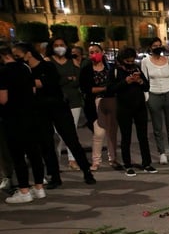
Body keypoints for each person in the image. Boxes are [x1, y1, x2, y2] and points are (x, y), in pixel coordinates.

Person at [13, 42, 95, 187]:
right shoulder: (23, 70)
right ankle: (55, 176)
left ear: (28, 53)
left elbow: (46, 83)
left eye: (18, 55)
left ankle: (86, 171)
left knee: (71, 140)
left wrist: (27, 82)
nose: (16, 59)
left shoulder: (46, 66)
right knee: (47, 144)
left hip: (58, 108)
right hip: (39, 111)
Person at [0, 44, 46, 203]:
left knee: (18, 155)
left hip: (14, 118)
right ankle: (39, 188)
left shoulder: (4, 72)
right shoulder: (26, 68)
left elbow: (3, 99)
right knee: (34, 153)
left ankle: (24, 190)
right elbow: (33, 90)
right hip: (31, 115)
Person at [109, 47, 156, 176]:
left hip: (139, 106)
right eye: (127, 61)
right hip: (124, 107)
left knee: (143, 136)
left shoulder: (136, 68)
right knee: (126, 136)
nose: (130, 63)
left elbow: (146, 86)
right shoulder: (115, 71)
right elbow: (110, 89)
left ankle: (147, 163)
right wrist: (126, 82)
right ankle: (128, 164)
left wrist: (140, 81)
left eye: (132, 61)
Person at [142, 37, 169, 165]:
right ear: (150, 47)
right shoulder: (145, 61)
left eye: (159, 45)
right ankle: (162, 153)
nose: (157, 47)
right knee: (157, 127)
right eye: (154, 45)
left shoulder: (168, 60)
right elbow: (145, 79)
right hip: (154, 94)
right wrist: (147, 97)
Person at [79, 43, 118, 171]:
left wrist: (107, 90)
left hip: (110, 101)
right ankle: (96, 161)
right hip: (94, 103)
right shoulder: (86, 70)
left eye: (96, 51)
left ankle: (113, 159)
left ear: (102, 52)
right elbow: (87, 89)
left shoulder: (110, 68)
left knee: (111, 132)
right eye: (91, 52)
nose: (94, 54)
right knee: (99, 133)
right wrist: (105, 88)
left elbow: (116, 85)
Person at [47, 37, 84, 170]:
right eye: (56, 45)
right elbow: (51, 82)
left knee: (71, 132)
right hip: (55, 101)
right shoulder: (48, 61)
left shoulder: (72, 61)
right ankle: (54, 162)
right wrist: (67, 78)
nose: (59, 47)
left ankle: (72, 160)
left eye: (61, 45)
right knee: (56, 134)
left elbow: (77, 81)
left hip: (73, 101)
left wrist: (64, 80)